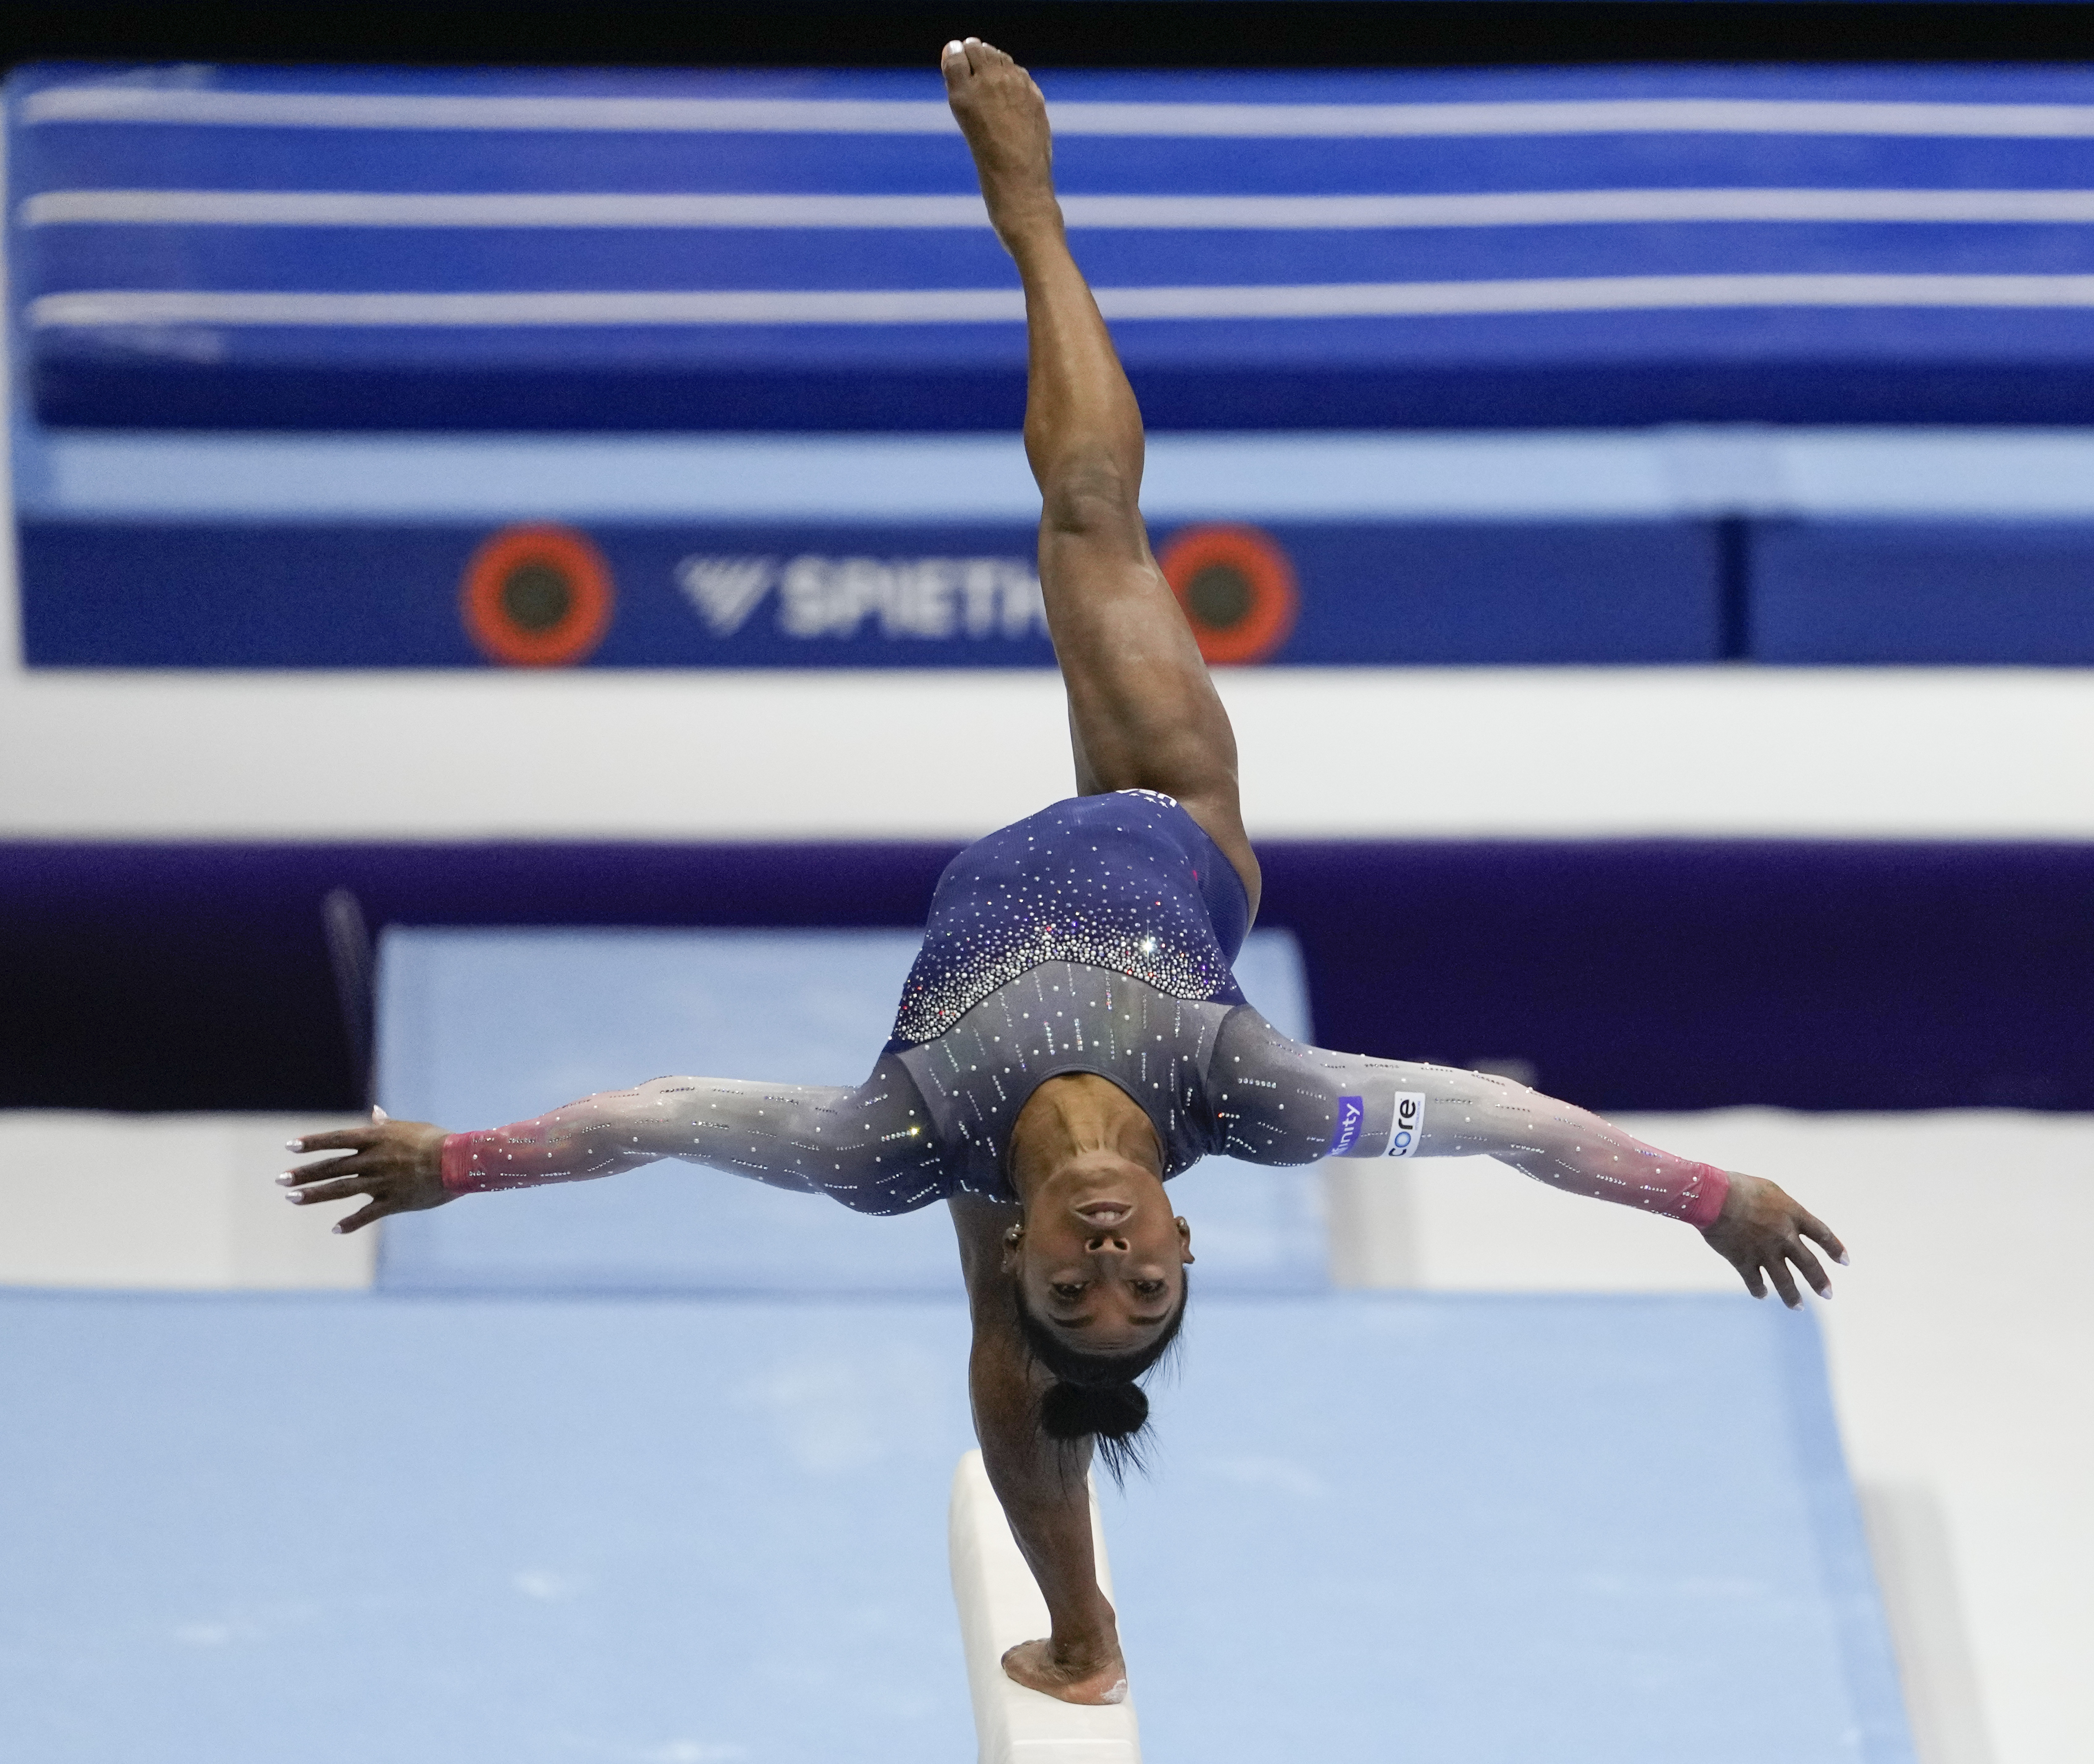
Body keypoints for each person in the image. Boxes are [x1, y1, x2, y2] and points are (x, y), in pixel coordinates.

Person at [279, 37, 1848, 1709]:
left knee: (1003, 1343)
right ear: (1183, 1224)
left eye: (1078, 1283)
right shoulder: (1257, 1095)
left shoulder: (896, 1147)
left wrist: (464, 1163)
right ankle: (1031, 210)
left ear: (1028, 1253)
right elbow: (1509, 1124)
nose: (1108, 1258)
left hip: (967, 1096)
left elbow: (658, 1117)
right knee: (1093, 514)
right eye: (1146, 1277)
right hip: (1168, 823)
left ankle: (1081, 1621)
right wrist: (1709, 1196)